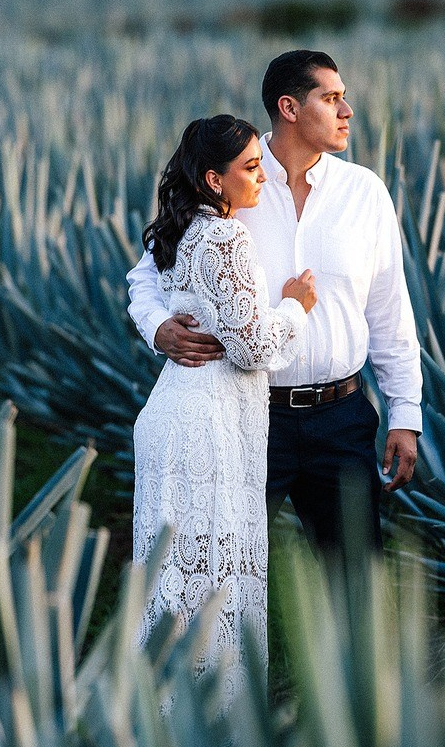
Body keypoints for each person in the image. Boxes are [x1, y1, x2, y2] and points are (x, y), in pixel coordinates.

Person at [127, 50, 422, 553]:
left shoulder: (365, 193)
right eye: (330, 99)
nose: (347, 111)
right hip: (247, 416)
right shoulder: (236, 183)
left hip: (341, 419)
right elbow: (147, 274)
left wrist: (406, 414)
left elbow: (390, 310)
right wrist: (158, 327)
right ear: (289, 107)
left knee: (356, 586)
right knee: (225, 569)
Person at [130, 115, 317, 710]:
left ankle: (164, 716)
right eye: (250, 168)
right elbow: (253, 346)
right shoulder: (224, 238)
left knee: (176, 575)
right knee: (212, 577)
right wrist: (295, 307)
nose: (261, 176)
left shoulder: (185, 232)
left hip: (179, 414)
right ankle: (214, 726)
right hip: (204, 426)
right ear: (215, 179)